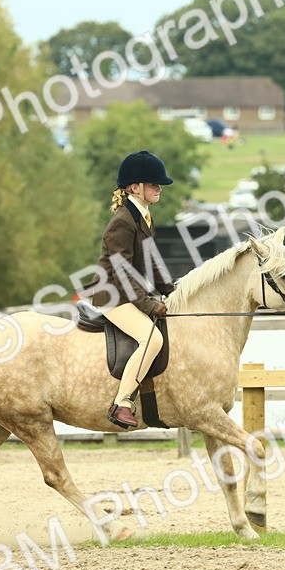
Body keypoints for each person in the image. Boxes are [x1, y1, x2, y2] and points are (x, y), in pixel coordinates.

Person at [88, 150, 176, 429]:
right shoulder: (122, 223)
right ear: (134, 188)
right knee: (152, 339)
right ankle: (122, 402)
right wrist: (150, 305)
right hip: (112, 295)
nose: (158, 187)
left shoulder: (143, 218)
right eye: (153, 184)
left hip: (127, 292)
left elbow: (153, 261)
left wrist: (172, 290)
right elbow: (123, 274)